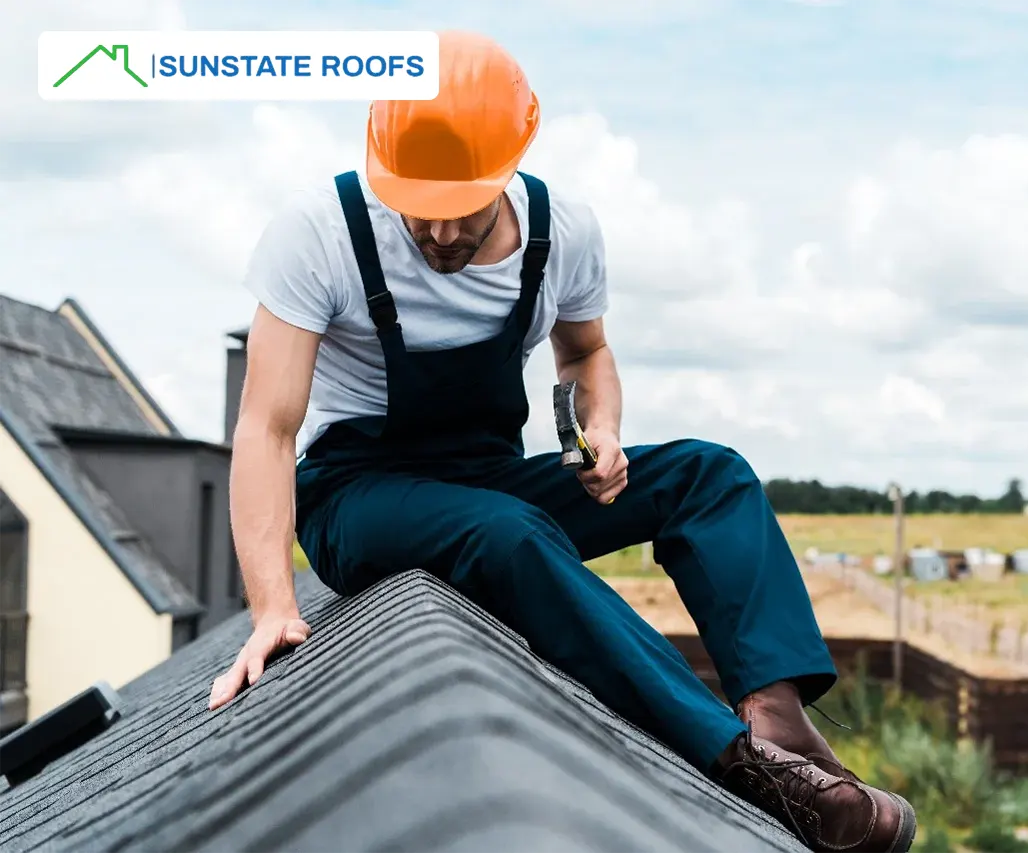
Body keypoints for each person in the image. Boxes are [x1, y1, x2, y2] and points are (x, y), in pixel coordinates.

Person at [207, 29, 915, 853]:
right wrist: (272, 607)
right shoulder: (318, 232)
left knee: (711, 476)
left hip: (487, 478)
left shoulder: (562, 232)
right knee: (506, 533)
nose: (437, 235)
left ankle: (778, 721)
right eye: (419, 210)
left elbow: (585, 353)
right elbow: (266, 425)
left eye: (460, 209)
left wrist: (601, 429)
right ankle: (741, 766)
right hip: (356, 496)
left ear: (510, 165)